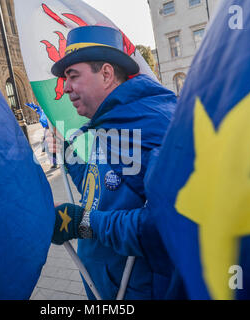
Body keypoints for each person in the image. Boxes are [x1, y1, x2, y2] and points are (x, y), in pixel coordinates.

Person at [46, 25, 182, 299]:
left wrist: (81, 223)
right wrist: (68, 154)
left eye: (73, 76)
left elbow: (168, 224)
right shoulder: (109, 120)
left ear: (106, 73)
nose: (66, 87)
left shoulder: (154, 124)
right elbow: (101, 189)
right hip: (110, 287)